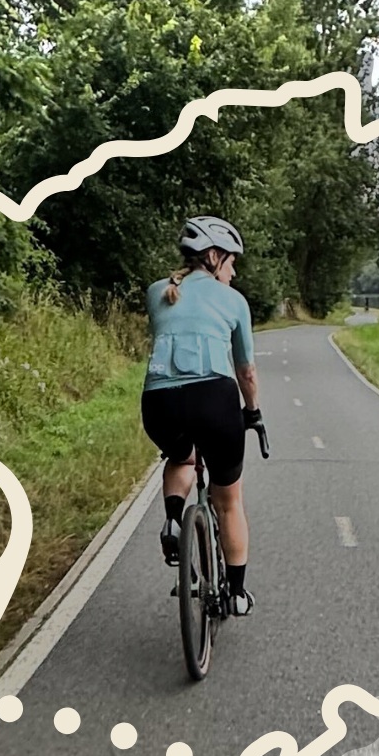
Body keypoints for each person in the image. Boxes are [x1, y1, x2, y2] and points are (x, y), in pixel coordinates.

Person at [142, 216, 264, 615]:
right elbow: (246, 371)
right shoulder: (234, 301)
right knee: (229, 500)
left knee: (182, 458)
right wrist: (253, 412)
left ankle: (174, 520)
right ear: (213, 256)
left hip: (159, 402)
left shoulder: (157, 291)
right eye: (231, 261)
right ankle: (238, 594)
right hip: (214, 398)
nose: (234, 271)